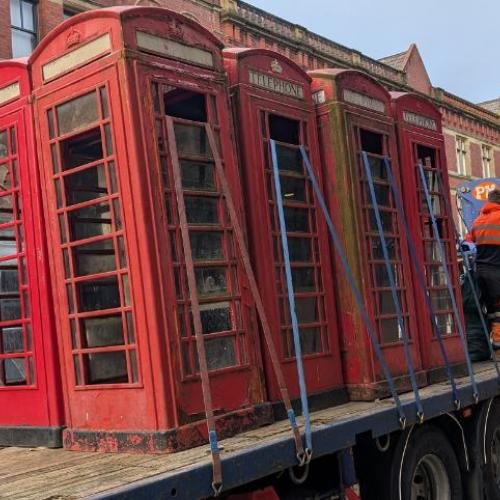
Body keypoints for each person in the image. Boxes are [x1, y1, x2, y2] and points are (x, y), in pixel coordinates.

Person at [470, 189, 500, 349]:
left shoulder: (478, 221)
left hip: (481, 272)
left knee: (491, 310)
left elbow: (470, 241)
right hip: (497, 271)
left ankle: (493, 344)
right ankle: (498, 343)